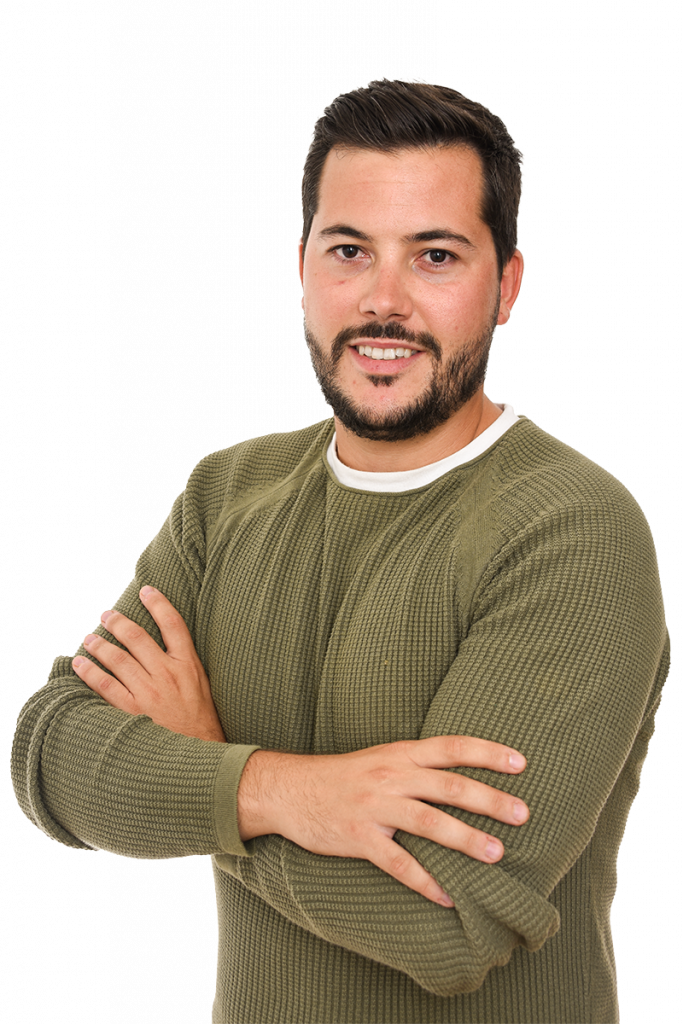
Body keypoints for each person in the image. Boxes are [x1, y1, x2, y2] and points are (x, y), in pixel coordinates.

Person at [11, 77, 669, 1024]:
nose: (383, 302)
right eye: (350, 251)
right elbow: (50, 755)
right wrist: (280, 789)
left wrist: (202, 766)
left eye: (434, 255)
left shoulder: (570, 527)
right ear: (302, 266)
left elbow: (446, 924)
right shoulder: (225, 495)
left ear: (506, 286)